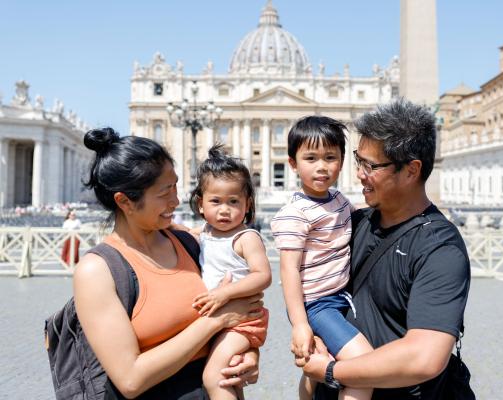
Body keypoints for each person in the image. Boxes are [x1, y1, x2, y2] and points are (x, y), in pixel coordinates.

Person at [74, 128, 263, 399]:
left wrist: (247, 356)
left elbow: (244, 313)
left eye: (175, 186)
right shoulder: (98, 271)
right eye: (164, 193)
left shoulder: (189, 242)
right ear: (125, 201)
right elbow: (130, 379)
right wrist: (216, 321)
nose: (176, 201)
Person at [301, 99, 471, 399]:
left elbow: (424, 356)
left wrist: (330, 372)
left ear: (411, 170)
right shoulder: (353, 223)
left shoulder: (440, 249)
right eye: (358, 160)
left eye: (371, 166)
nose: (359, 174)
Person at [271, 116, 373, 400]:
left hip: (342, 296)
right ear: (293, 163)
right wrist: (301, 324)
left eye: (330, 157)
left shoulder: (338, 199)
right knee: (363, 365)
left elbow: (360, 219)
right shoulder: (295, 214)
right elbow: (289, 271)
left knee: (315, 368)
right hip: (318, 305)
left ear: (342, 161)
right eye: (311, 158)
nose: (321, 166)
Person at [189, 144, 271, 400]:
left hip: (243, 321)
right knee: (231, 376)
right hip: (225, 320)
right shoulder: (204, 234)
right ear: (201, 205)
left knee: (214, 377)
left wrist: (225, 294)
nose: (225, 209)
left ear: (247, 205)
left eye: (233, 201)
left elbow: (262, 276)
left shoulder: (246, 238)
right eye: (216, 201)